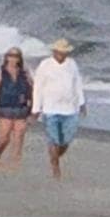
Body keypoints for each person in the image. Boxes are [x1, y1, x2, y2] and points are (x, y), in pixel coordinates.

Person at [30, 38, 85, 179]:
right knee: (54, 139)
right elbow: (38, 87)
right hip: (50, 108)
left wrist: (82, 102)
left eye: (64, 52)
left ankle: (55, 157)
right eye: (59, 52)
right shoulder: (45, 65)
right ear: (54, 51)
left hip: (70, 108)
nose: (61, 54)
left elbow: (77, 83)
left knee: (67, 139)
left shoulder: (72, 64)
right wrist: (36, 109)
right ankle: (55, 167)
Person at [0, 47, 33, 171]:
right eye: (11, 56)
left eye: (16, 56)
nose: (13, 58)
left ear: (20, 58)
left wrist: (33, 109)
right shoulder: (1, 73)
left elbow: (32, 90)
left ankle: (15, 163)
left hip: (21, 109)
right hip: (5, 108)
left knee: (19, 137)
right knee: (4, 137)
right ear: (6, 57)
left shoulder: (25, 73)